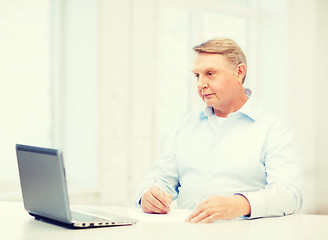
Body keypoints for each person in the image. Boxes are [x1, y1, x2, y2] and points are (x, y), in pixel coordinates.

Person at [135, 38, 302, 223]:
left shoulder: (274, 128)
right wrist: (148, 196)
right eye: (197, 76)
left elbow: (289, 195)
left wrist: (240, 204)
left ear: (239, 72)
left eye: (210, 73)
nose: (200, 84)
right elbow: (160, 180)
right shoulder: (185, 126)